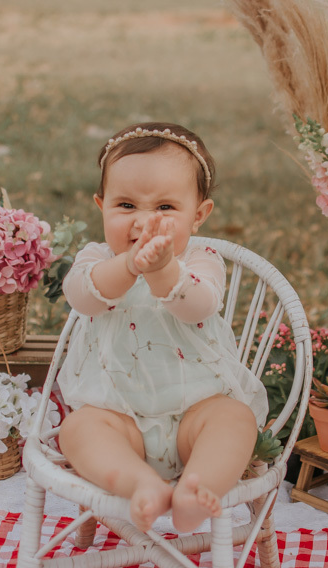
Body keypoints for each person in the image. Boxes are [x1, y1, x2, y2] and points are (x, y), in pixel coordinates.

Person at [57, 122, 267, 533]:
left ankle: (197, 487)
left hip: (196, 410)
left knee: (236, 419)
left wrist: (165, 270)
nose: (144, 222)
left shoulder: (202, 258)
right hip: (117, 416)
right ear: (102, 206)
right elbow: (81, 295)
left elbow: (199, 305)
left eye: (165, 208)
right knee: (77, 429)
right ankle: (140, 484)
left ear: (199, 214)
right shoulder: (97, 258)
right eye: (127, 206)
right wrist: (130, 266)